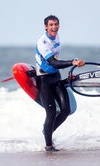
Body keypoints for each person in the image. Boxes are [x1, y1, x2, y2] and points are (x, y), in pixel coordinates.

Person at [35, 15, 85, 152]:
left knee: (65, 110)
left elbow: (57, 59)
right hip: (44, 79)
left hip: (55, 77)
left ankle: (47, 132)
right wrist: (72, 62)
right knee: (51, 113)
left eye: (56, 24)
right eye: (51, 25)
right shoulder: (43, 42)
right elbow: (53, 62)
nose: (54, 27)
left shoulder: (57, 37)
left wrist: (73, 60)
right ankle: (48, 146)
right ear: (46, 26)